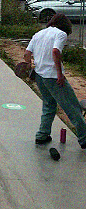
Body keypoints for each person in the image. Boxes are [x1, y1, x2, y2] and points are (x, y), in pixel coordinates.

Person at [24, 11, 86, 159]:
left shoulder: (38, 34)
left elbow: (27, 54)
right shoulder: (60, 34)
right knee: (72, 107)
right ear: (65, 25)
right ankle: (84, 139)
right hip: (53, 77)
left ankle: (42, 135)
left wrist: (29, 68)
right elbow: (56, 51)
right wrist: (59, 74)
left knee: (49, 105)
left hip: (40, 76)